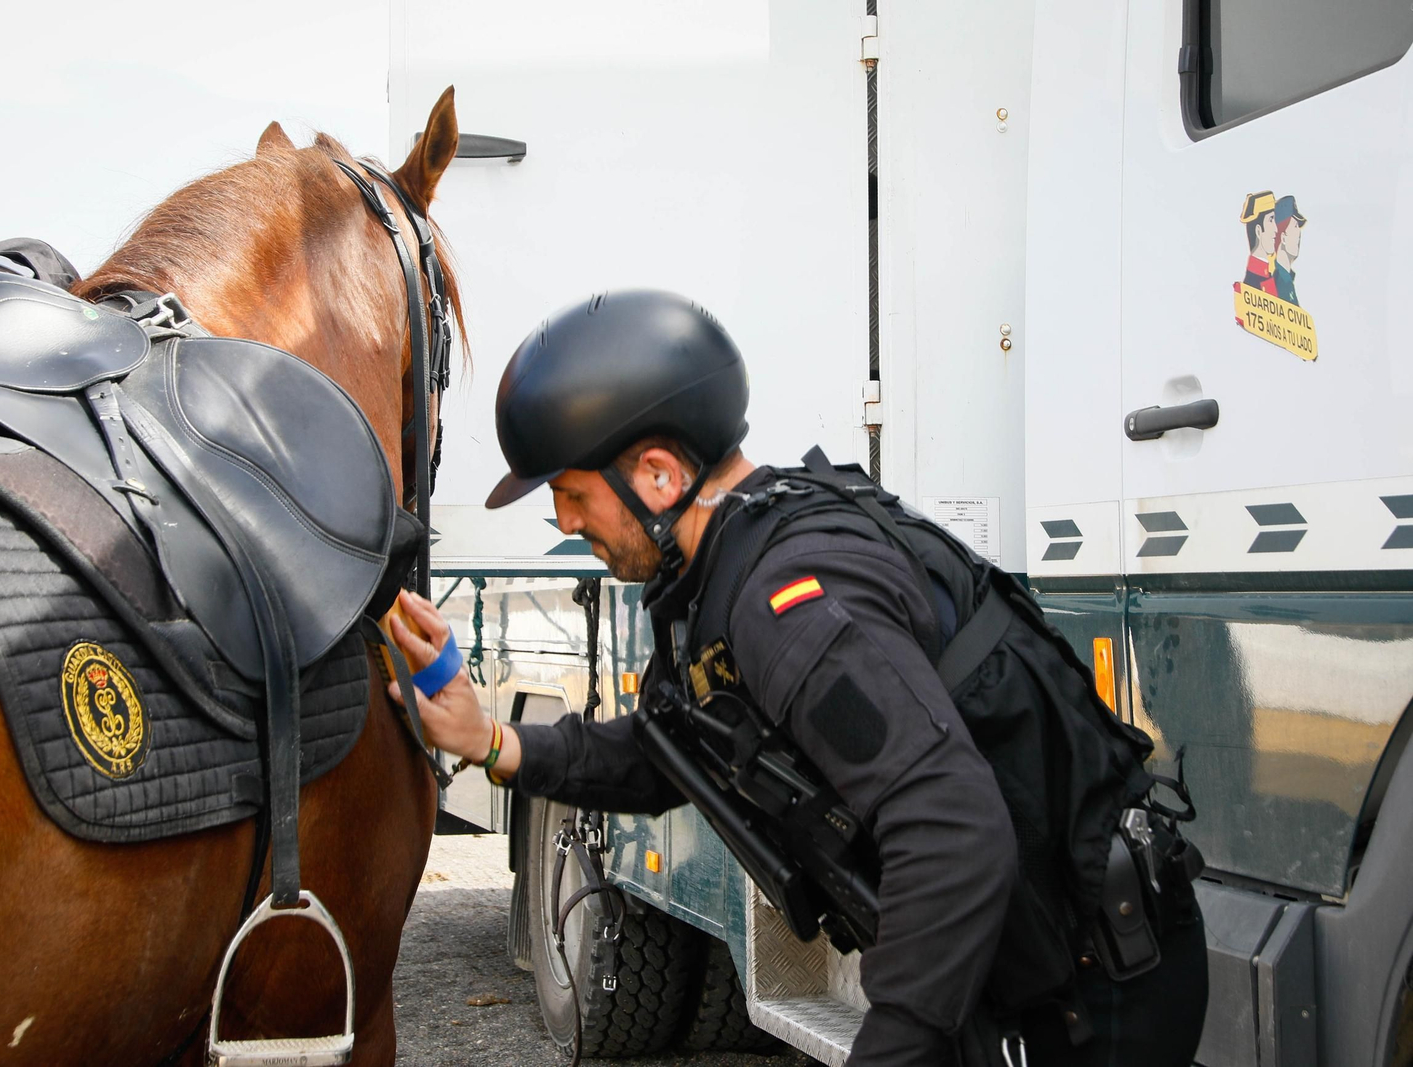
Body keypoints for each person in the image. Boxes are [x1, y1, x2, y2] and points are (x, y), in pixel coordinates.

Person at [389, 290, 1207, 1066]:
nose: (565, 522)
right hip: (1032, 958)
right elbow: (666, 755)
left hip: (1099, 984)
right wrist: (490, 739)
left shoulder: (788, 600)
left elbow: (953, 830)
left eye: (571, 492)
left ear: (660, 475)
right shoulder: (725, 567)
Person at [1240, 191, 1280, 295]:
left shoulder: (1267, 274)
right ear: (1258, 230)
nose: (1276, 229)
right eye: (1271, 220)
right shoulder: (1253, 280)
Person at [1272, 195, 1306, 305]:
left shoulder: (1287, 279)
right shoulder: (1280, 282)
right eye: (1295, 226)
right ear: (1283, 237)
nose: (1299, 234)